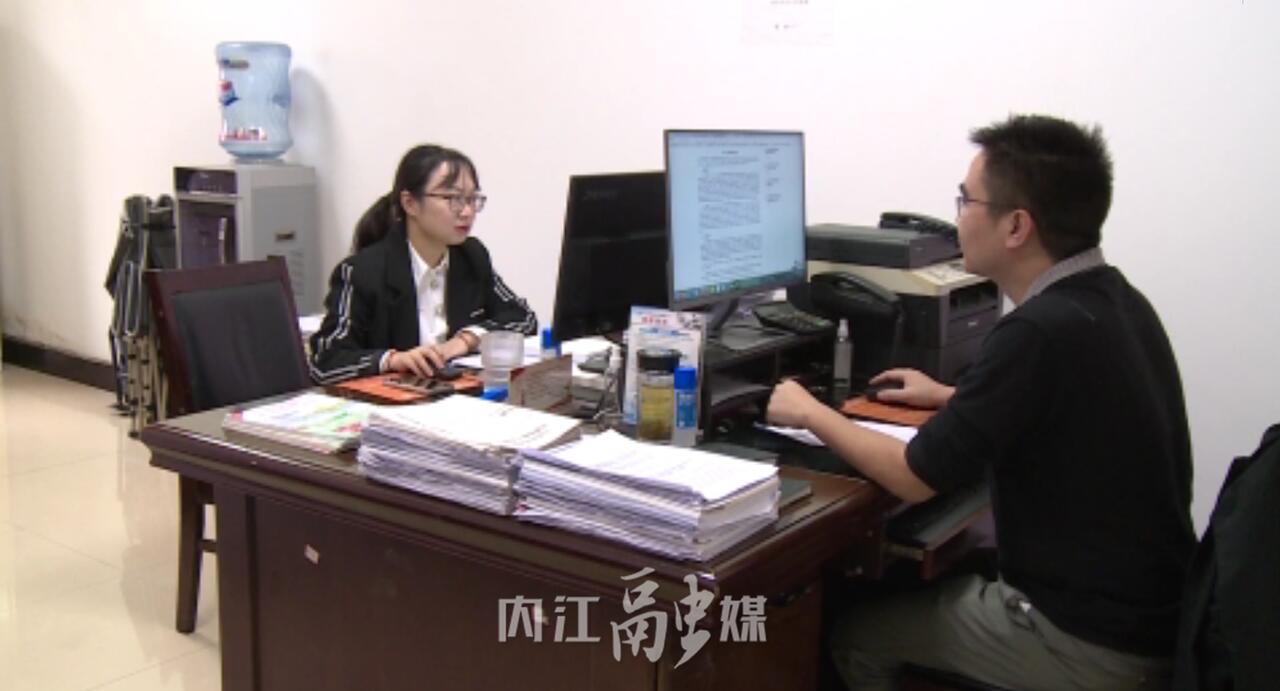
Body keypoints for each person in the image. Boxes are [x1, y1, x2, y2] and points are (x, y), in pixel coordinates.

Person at [767, 115, 1194, 690]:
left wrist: (807, 411)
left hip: (1082, 642)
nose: (959, 217)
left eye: (966, 200)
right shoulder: (1116, 300)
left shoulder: (1037, 333)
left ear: (1016, 226)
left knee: (855, 634)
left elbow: (913, 477)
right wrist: (954, 395)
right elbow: (1070, 408)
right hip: (1153, 621)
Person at [309, 144, 537, 384]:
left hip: (458, 394)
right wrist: (392, 360)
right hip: (393, 401)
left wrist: (465, 340)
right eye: (453, 199)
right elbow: (325, 362)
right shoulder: (361, 272)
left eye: (472, 199)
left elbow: (523, 318)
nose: (467, 212)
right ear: (410, 203)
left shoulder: (471, 256)